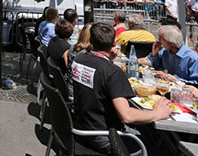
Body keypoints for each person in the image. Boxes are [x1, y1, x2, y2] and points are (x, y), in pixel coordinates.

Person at [72, 23, 172, 154]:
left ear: (91, 41)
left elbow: (97, 78)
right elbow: (127, 116)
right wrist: (158, 113)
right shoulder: (113, 72)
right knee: (163, 149)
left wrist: (109, 60)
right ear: (114, 44)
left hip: (81, 127)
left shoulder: (79, 58)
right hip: (107, 137)